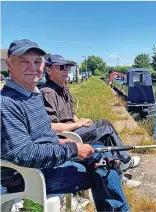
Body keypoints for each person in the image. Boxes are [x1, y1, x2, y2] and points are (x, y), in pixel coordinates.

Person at [1, 39, 130, 211]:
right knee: (104, 168)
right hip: (27, 176)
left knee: (102, 153)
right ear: (9, 65)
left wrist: (67, 143)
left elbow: (42, 136)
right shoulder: (7, 103)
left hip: (44, 162)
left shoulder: (32, 95)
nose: (33, 67)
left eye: (37, 62)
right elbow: (21, 153)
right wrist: (73, 149)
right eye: (24, 61)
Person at [40, 55, 141, 187]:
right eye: (62, 67)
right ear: (48, 71)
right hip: (67, 136)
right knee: (105, 128)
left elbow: (70, 113)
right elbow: (51, 126)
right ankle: (123, 162)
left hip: (74, 129)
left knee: (105, 128)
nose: (66, 70)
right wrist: (77, 124)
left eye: (68, 67)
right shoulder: (47, 92)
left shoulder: (64, 87)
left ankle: (120, 166)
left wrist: (80, 120)